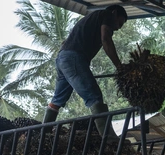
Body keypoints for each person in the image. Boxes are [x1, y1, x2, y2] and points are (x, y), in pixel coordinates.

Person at [41, 5, 128, 137]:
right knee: (94, 96)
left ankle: (43, 134)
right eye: (119, 23)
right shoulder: (106, 14)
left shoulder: (93, 18)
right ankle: (110, 139)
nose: (118, 28)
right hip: (72, 58)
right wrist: (119, 66)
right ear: (114, 13)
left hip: (62, 58)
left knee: (57, 100)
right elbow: (106, 39)